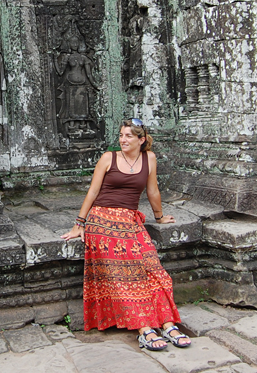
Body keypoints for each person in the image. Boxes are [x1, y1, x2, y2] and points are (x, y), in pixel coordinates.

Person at [61, 118, 192, 351]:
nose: (123, 140)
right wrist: (79, 224)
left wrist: (160, 217)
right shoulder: (108, 158)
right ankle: (144, 329)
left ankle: (168, 323)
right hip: (102, 220)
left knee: (153, 268)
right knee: (123, 272)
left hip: (131, 220)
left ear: (141, 140)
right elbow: (93, 192)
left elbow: (152, 190)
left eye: (129, 136)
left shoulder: (149, 158)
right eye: (121, 135)